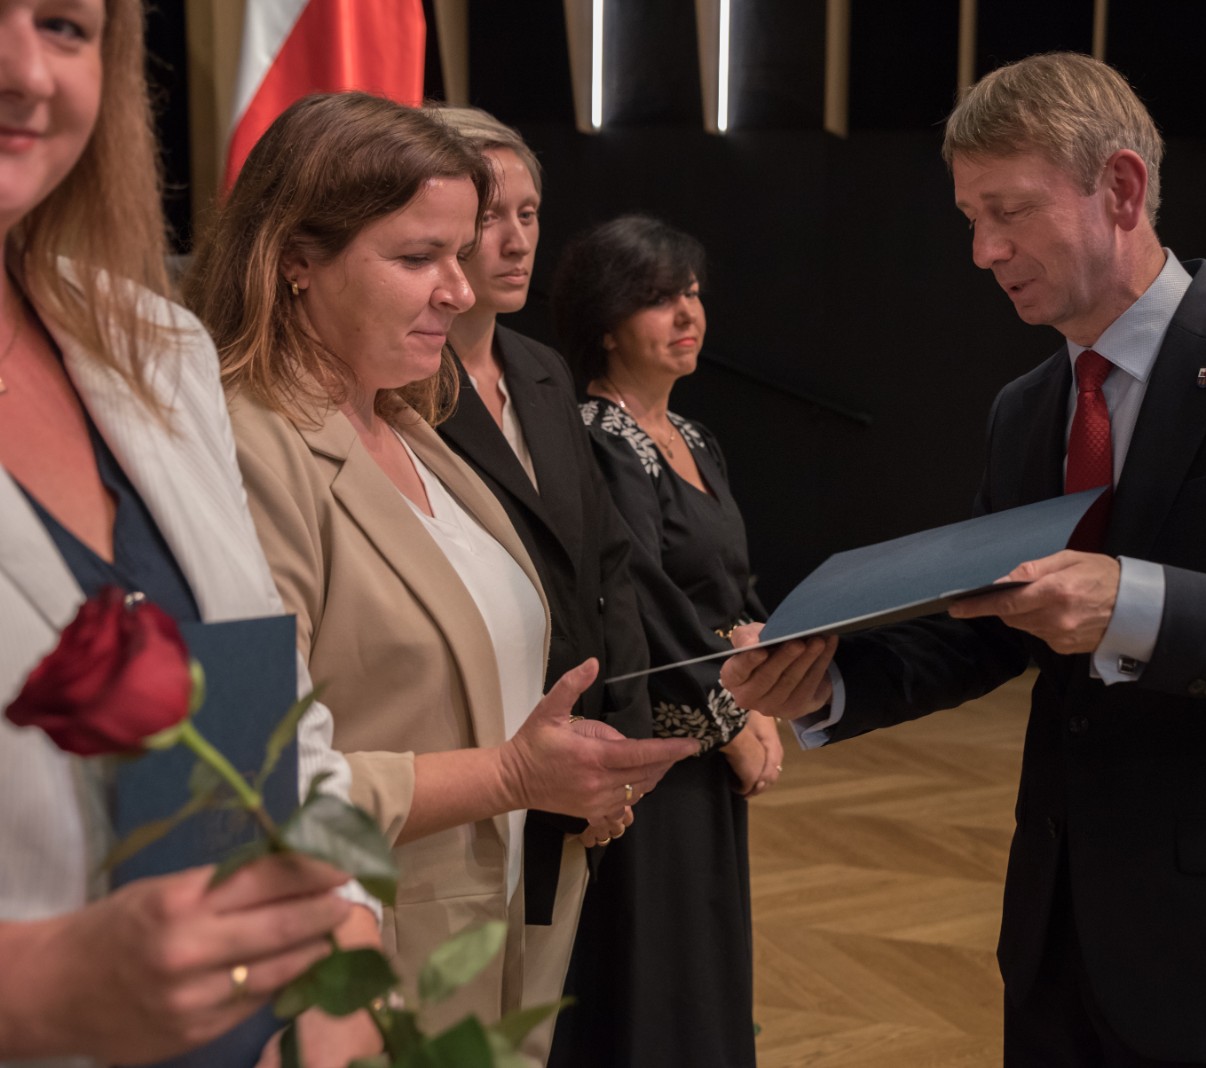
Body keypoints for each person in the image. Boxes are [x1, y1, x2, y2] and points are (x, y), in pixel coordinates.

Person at [722, 52, 1206, 1068]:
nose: (984, 251)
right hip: (1056, 945)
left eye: (1009, 212)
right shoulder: (1026, 409)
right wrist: (828, 679)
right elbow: (988, 623)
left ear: (1122, 189)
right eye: (970, 219)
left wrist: (1137, 604)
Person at [183, 93, 698, 1032]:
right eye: (419, 258)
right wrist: (511, 778)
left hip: (496, 935)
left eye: (460, 255)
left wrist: (569, 774)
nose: (459, 291)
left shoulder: (411, 425)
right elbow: (244, 783)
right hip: (353, 967)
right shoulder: (241, 449)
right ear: (296, 260)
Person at [0, 2, 376, 1065]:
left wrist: (348, 936)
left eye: (65, 24)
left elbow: (279, 713)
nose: (26, 70)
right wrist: (35, 990)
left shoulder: (156, 347)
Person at [424, 103, 654, 1062]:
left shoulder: (544, 371)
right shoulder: (398, 384)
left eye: (529, 213)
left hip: (574, 774)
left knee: (529, 1034)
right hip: (465, 773)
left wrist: (620, 745)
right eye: (489, 217)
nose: (516, 241)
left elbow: (606, 568)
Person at [545, 215, 784, 1068]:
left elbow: (731, 588)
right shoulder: (599, 436)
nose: (687, 314)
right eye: (657, 298)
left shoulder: (695, 436)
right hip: (654, 747)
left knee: (703, 957)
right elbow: (640, 598)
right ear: (607, 325)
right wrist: (733, 721)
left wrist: (768, 682)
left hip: (710, 736)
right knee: (657, 968)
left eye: (692, 293)